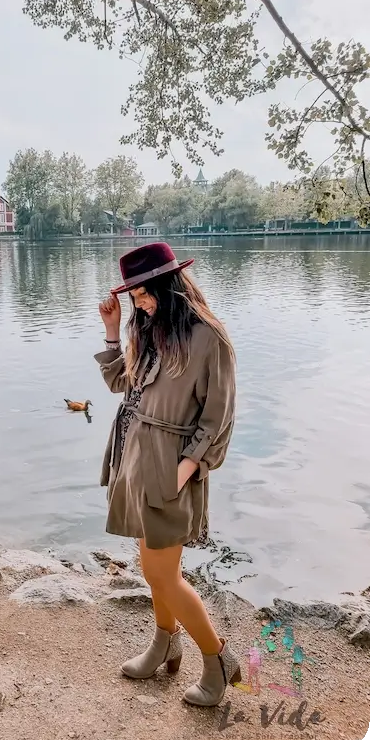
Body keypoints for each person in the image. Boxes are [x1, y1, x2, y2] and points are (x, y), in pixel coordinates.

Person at [95, 242, 240, 707]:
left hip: (172, 465)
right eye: (134, 297)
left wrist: (184, 470)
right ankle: (164, 644)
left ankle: (219, 661)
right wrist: (113, 331)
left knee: (164, 575)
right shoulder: (152, 330)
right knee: (154, 571)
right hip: (135, 459)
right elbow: (122, 384)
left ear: (168, 285)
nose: (139, 303)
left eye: (143, 294)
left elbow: (217, 419)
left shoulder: (208, 338)